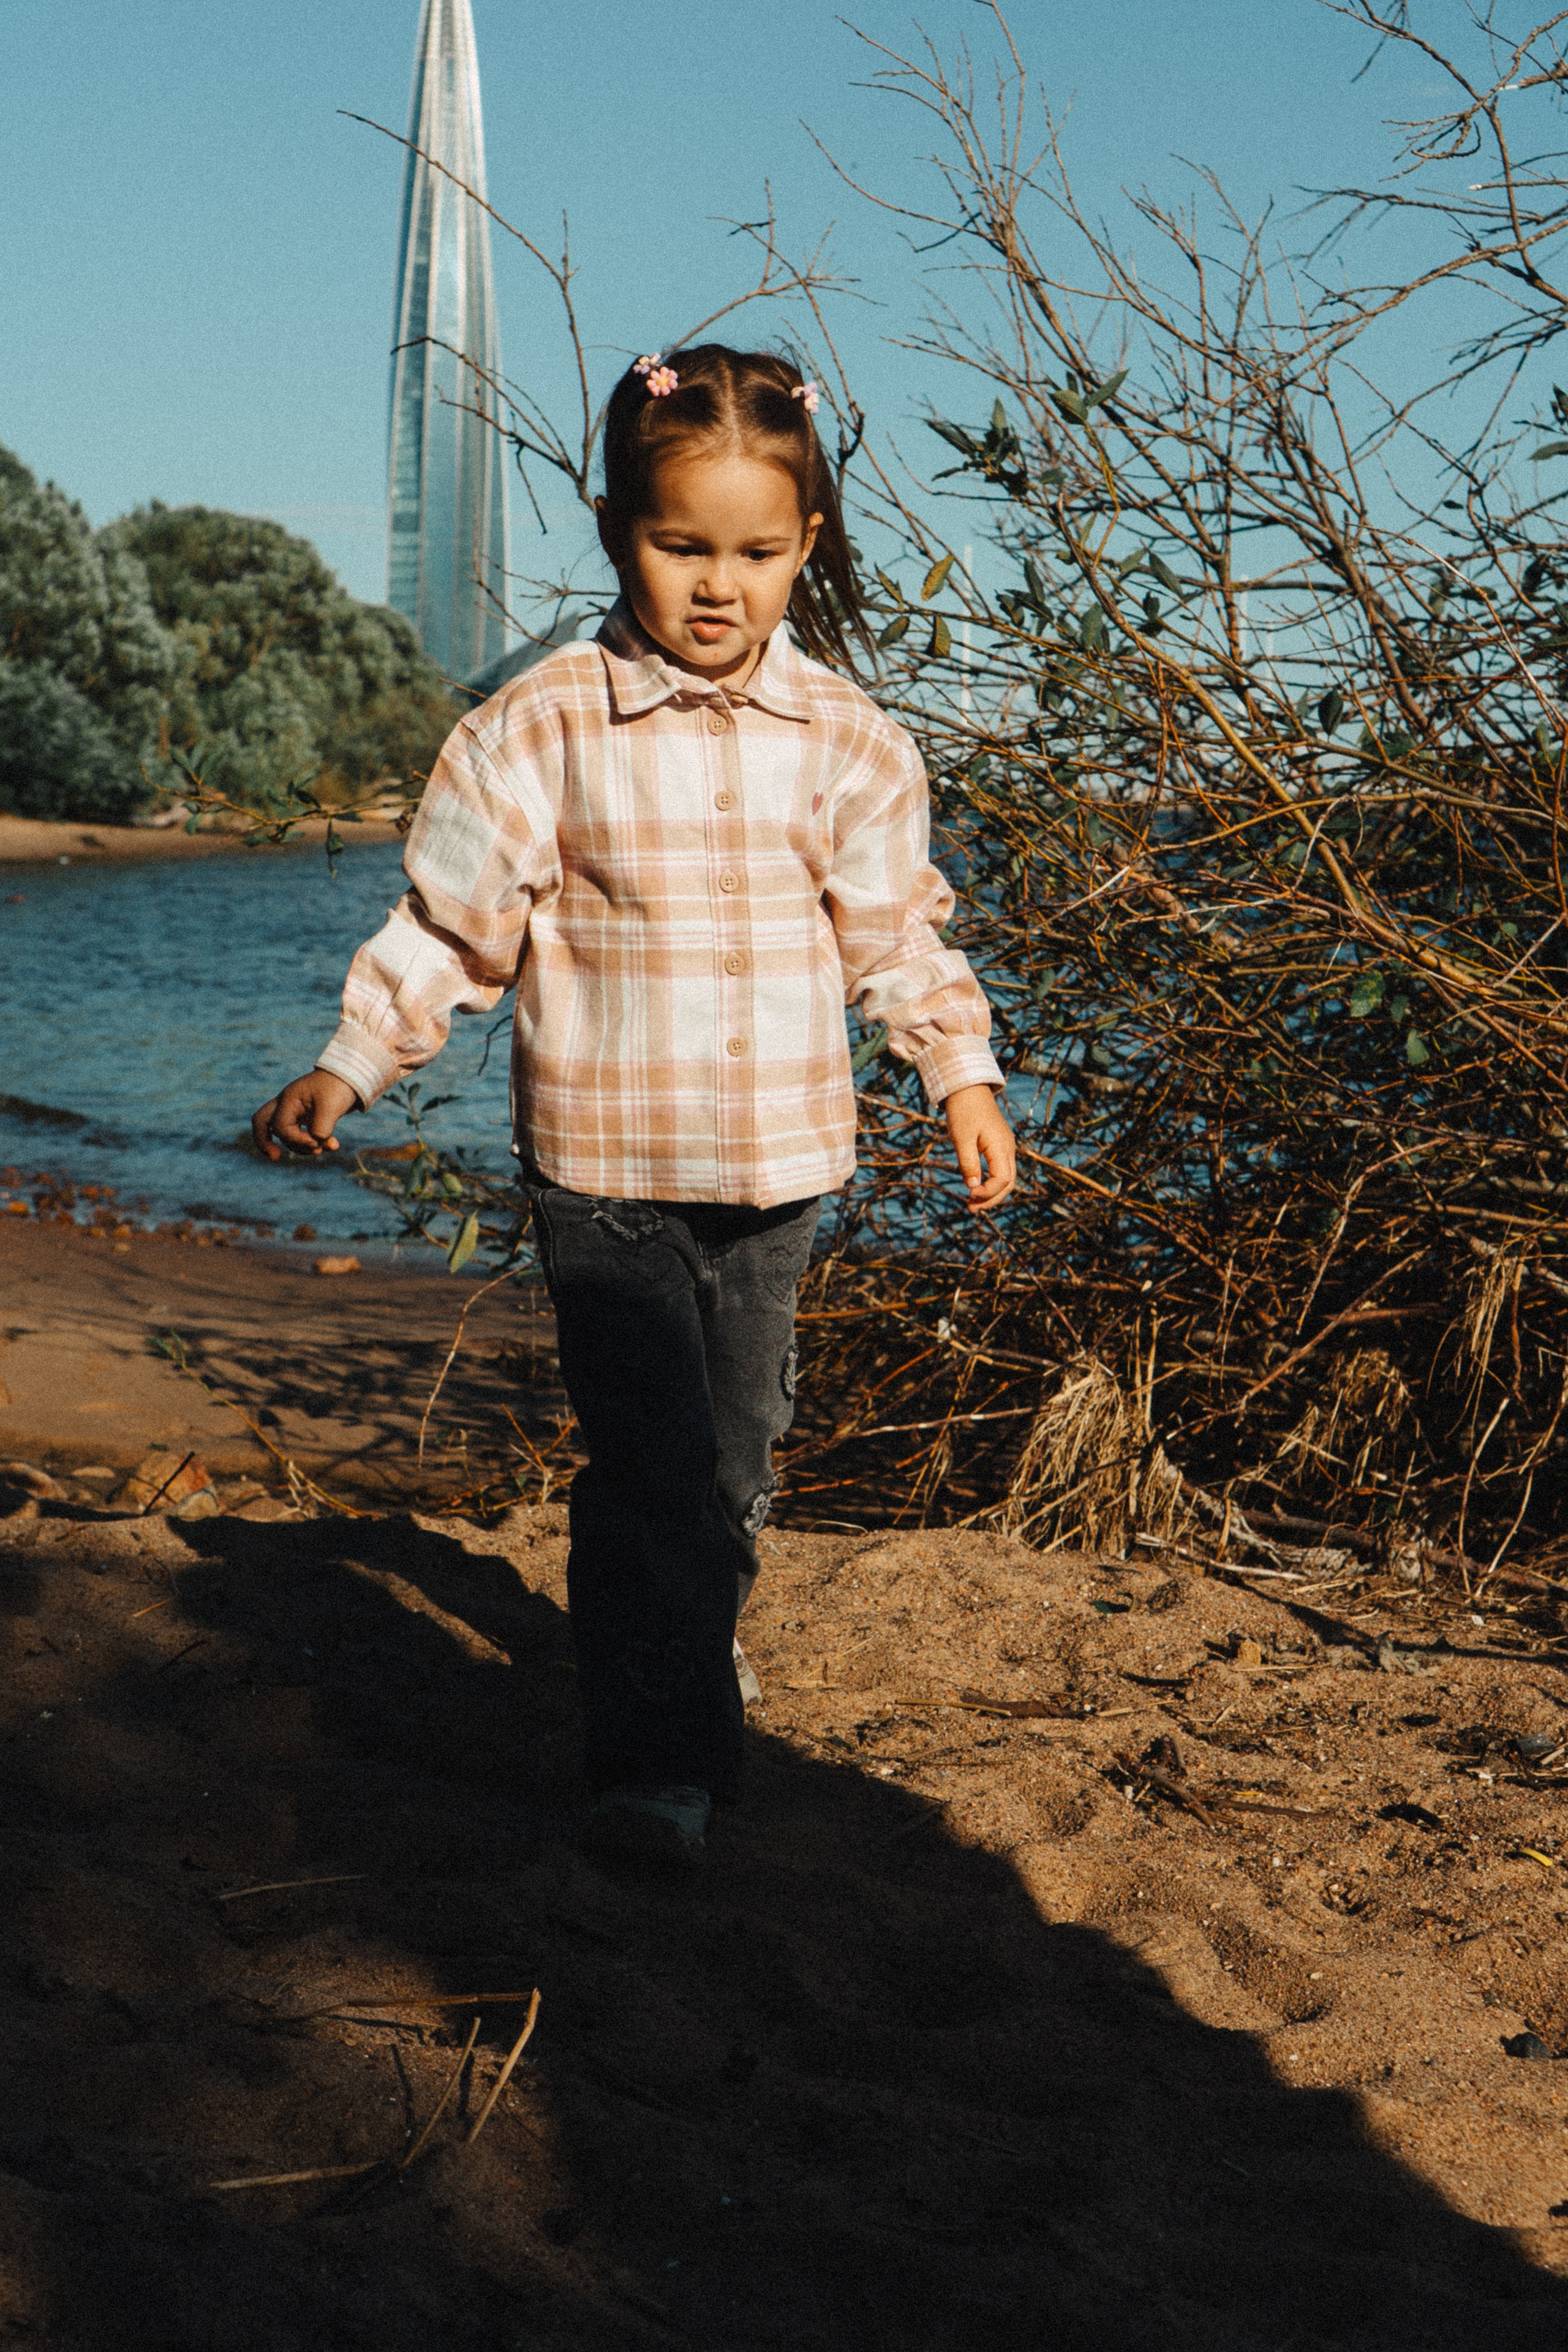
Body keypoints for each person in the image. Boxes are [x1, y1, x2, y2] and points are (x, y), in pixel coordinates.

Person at [253, 344, 1014, 1864]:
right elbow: (453, 924)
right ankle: (653, 1765)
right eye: (680, 548)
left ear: (806, 543)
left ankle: (687, 1644)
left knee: (735, 1462)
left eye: (751, 552)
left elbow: (894, 932)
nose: (715, 588)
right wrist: (356, 1056)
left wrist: (959, 1072)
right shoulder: (536, 730)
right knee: (650, 1463)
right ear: (617, 531)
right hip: (601, 1170)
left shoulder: (852, 746)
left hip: (779, 1166)